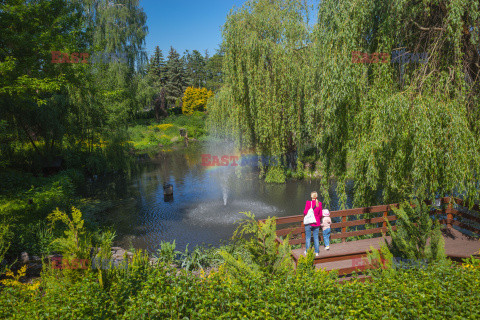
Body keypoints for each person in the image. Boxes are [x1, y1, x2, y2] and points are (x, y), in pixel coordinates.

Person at [303, 191, 322, 256]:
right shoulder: (319, 203)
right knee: (316, 237)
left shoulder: (308, 203)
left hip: (309, 223)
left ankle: (307, 251)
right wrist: (317, 219)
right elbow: (320, 214)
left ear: (311, 196)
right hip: (316, 223)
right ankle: (316, 252)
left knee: (308, 237)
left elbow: (305, 212)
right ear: (316, 196)